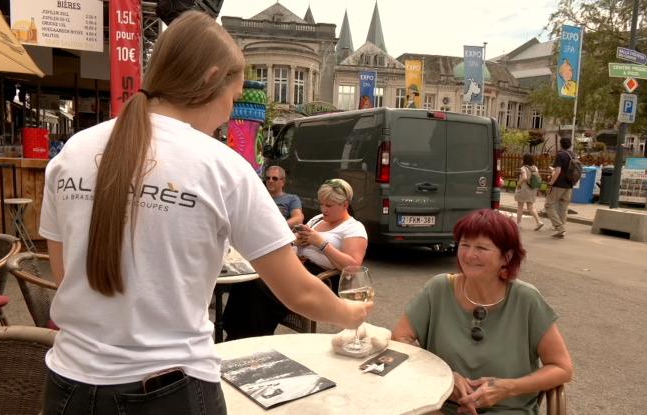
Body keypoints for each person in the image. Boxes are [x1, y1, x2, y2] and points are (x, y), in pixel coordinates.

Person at [39, 12, 371, 415]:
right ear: (212, 77)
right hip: (168, 391)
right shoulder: (222, 167)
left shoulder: (72, 152)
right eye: (232, 100)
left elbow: (63, 273)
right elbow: (297, 291)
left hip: (67, 385)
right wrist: (349, 313)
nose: (229, 115)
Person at [392, 209, 572, 415]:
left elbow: (561, 367)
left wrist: (508, 388)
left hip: (508, 410)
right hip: (440, 408)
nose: (469, 255)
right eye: (464, 244)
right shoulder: (438, 289)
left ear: (507, 256)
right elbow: (400, 338)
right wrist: (443, 377)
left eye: (481, 248)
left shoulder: (526, 299)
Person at [224, 178, 368, 340]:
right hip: (299, 266)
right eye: (321, 204)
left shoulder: (353, 227)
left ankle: (251, 338)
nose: (323, 209)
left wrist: (321, 243)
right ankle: (234, 332)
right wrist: (297, 241)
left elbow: (353, 266)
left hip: (323, 278)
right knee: (249, 280)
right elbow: (298, 244)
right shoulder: (318, 219)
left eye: (329, 205)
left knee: (259, 287)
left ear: (345, 205)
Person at [545, 137, 574, 238]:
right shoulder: (572, 155)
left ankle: (559, 227)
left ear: (561, 144)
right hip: (569, 184)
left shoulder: (560, 155)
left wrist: (551, 183)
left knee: (548, 205)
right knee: (563, 206)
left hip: (559, 184)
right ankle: (561, 228)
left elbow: (557, 171)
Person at [514, 153, 544, 231]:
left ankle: (518, 224)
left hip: (524, 189)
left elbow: (524, 177)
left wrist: (518, 184)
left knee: (520, 206)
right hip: (533, 189)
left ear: (524, 159)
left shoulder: (523, 168)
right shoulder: (535, 168)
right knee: (530, 207)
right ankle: (539, 221)